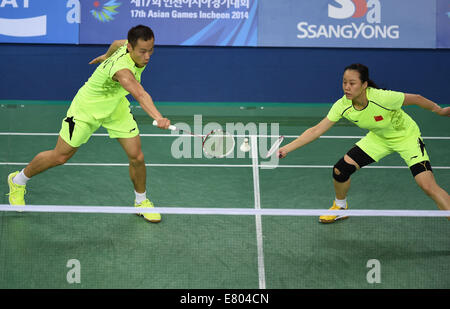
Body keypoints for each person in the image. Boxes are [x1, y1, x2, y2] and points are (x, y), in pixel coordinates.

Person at [7, 25, 170, 223]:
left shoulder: (124, 46)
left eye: (151, 50)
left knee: (137, 156)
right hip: (87, 109)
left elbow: (116, 43)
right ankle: (17, 180)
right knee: (60, 156)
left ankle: (141, 202)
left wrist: (104, 56)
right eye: (142, 51)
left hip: (115, 106)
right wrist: (158, 117)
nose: (147, 56)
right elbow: (140, 93)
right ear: (130, 48)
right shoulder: (122, 71)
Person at [278, 63, 450, 223]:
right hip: (379, 138)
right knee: (340, 170)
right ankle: (340, 206)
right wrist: (286, 148)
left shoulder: (383, 98)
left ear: (364, 84)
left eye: (352, 83)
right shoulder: (342, 105)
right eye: (344, 82)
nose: (347, 87)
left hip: (406, 138)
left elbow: (417, 98)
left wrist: (440, 111)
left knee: (427, 186)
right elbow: (316, 130)